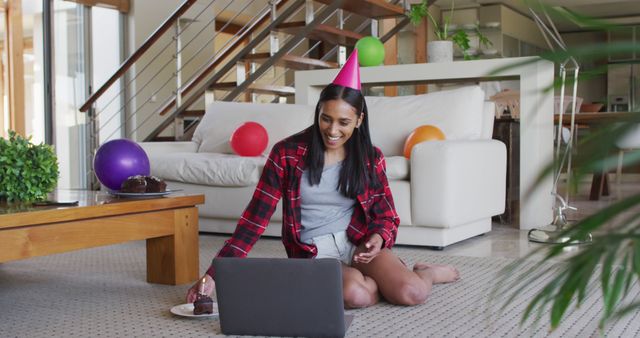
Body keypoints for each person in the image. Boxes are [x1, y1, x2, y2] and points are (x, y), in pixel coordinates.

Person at [186, 51, 459, 308]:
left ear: (359, 120)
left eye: (343, 122)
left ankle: (428, 273)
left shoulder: (370, 157)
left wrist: (377, 236)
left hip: (358, 242)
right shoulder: (286, 154)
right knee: (356, 295)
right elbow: (253, 221)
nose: (332, 130)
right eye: (326, 119)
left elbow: (386, 214)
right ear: (318, 113)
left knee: (412, 293)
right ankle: (372, 279)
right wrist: (213, 274)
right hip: (313, 250)